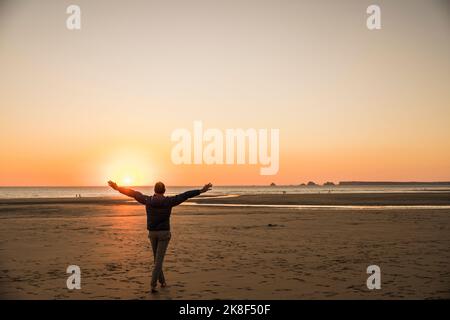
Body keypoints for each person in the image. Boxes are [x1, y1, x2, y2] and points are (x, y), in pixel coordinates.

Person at [107, 180, 212, 293]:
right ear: (164, 190)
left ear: (154, 190)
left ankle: (162, 282)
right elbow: (185, 195)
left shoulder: (148, 200)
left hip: (153, 233)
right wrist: (201, 190)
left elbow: (132, 193)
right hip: (164, 234)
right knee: (158, 261)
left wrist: (117, 188)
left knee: (157, 260)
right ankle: (153, 284)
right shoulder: (169, 201)